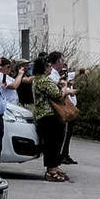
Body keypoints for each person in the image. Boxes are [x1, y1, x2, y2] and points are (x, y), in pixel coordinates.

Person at [31, 53, 69, 182]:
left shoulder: (36, 80)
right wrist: (64, 87)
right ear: (44, 68)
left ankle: (54, 166)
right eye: (48, 66)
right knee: (53, 143)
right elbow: (58, 95)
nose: (50, 69)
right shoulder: (44, 80)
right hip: (49, 116)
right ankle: (51, 169)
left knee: (53, 142)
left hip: (44, 116)